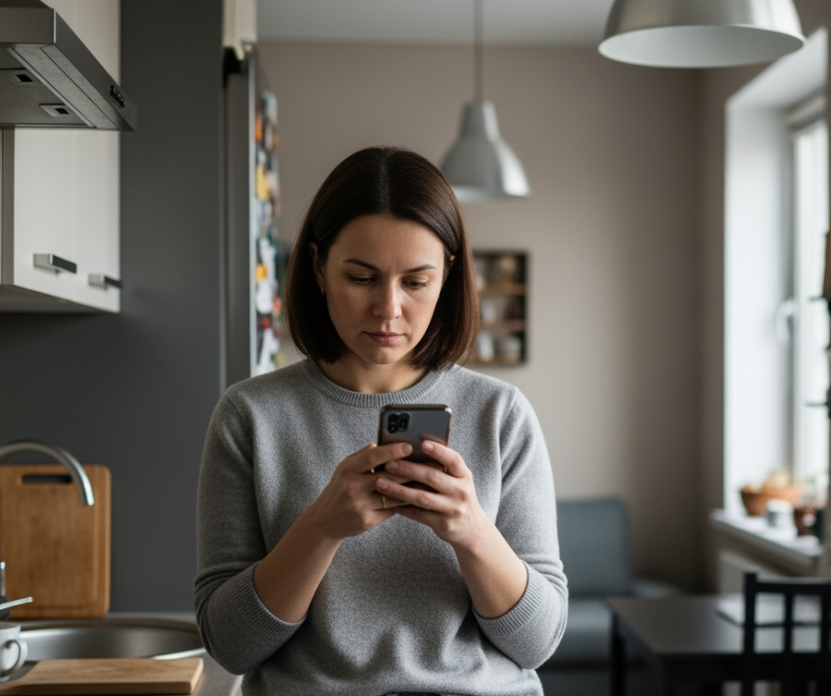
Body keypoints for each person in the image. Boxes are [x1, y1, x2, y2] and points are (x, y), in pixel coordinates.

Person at [193, 146, 567, 696]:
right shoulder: (249, 417)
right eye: (362, 277)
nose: (388, 308)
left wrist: (472, 533)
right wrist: (321, 528)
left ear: (447, 277)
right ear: (318, 267)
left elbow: (538, 644)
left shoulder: (501, 415)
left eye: (415, 281)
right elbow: (229, 645)